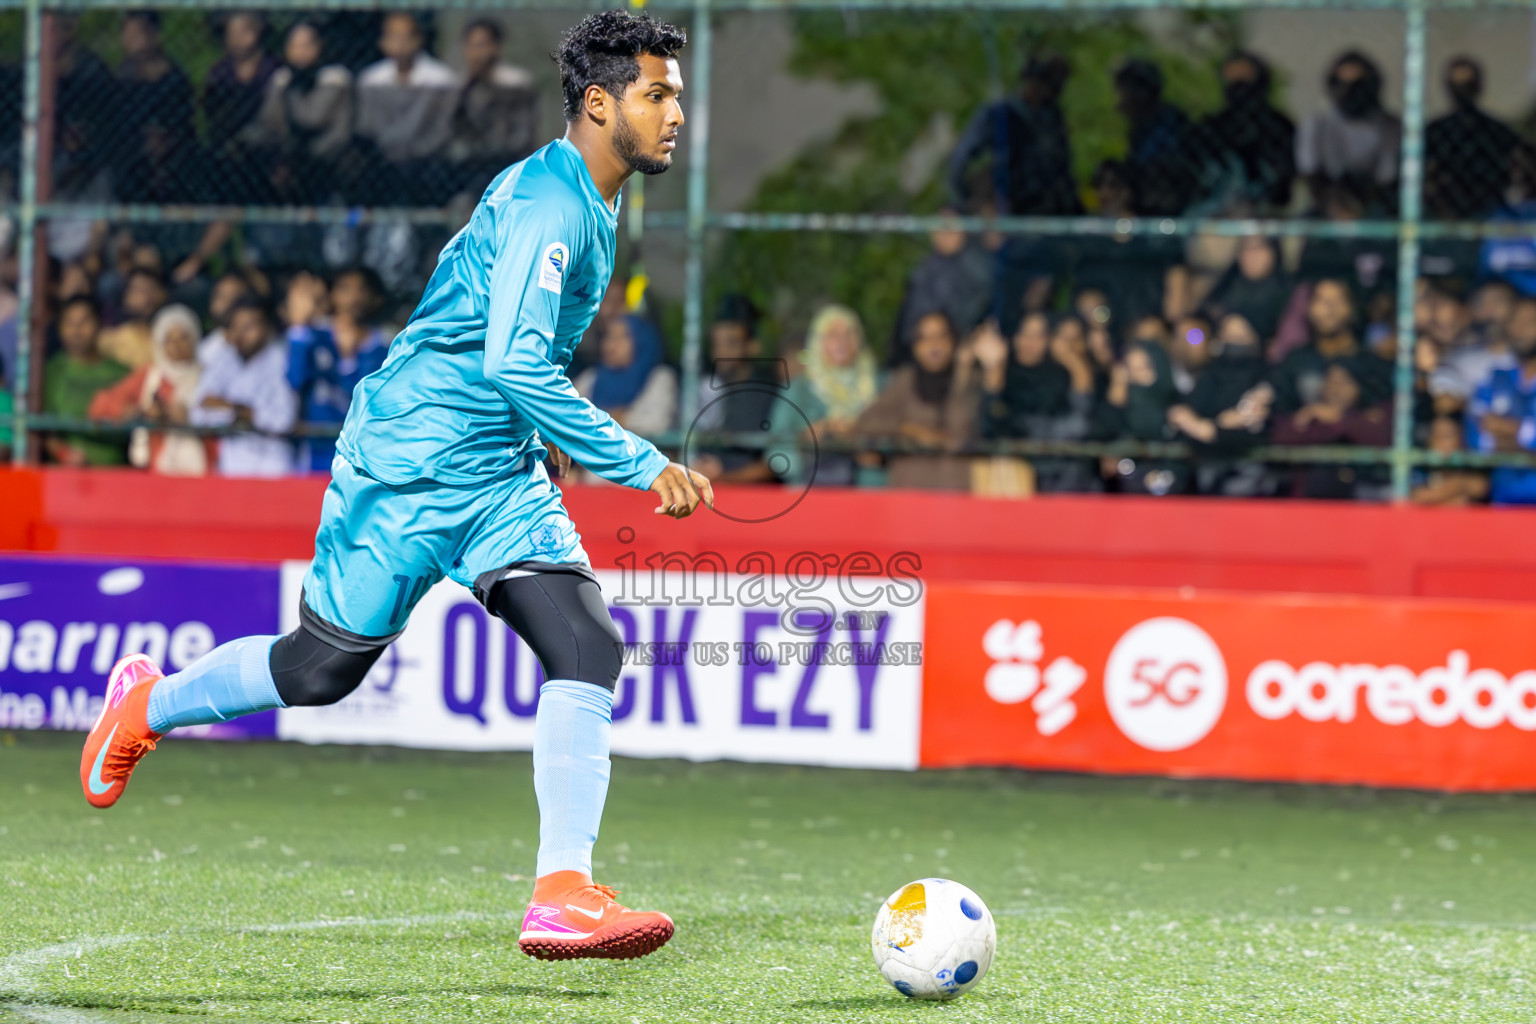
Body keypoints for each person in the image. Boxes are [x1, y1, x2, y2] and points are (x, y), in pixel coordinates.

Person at [79, 10, 706, 966]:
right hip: (407, 462)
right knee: (318, 672)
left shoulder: (595, 196)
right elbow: (513, 363)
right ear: (598, 101)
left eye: (676, 94)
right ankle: (146, 704)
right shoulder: (552, 204)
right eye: (656, 93)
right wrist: (639, 462)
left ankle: (562, 893)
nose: (675, 114)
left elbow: (513, 366)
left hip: (495, 474)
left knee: (585, 643)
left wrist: (546, 438)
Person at [854, 311, 979, 490]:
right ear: (915, 346)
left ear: (953, 341)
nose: (933, 345)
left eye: (941, 336)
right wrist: (911, 431)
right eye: (925, 338)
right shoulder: (905, 381)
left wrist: (962, 377)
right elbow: (868, 421)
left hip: (958, 491)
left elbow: (961, 432)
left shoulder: (969, 379)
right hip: (911, 490)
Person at [284, 269, 392, 473]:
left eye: (362, 290)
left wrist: (348, 357)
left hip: (364, 453)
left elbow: (370, 400)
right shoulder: (315, 336)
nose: (353, 298)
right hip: (315, 451)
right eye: (344, 289)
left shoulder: (386, 346)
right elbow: (294, 381)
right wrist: (298, 326)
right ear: (332, 295)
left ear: (376, 299)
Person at [975, 312, 1097, 492]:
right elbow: (991, 424)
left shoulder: (1060, 377)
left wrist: (1073, 361)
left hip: (1062, 480)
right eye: (1024, 334)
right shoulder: (1005, 374)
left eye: (1039, 336)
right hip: (1014, 481)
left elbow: (1081, 423)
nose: (1030, 342)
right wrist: (995, 368)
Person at [88, 303, 212, 475]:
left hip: (206, 471)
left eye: (183, 338)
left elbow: (227, 412)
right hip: (155, 471)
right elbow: (100, 406)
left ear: (195, 339)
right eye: (168, 339)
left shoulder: (210, 377)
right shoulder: (149, 376)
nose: (176, 346)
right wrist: (141, 412)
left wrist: (192, 417)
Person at [353, 12, 460, 205]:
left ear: (418, 40)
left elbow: (443, 130)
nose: (400, 43)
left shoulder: (442, 81)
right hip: (383, 160)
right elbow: (368, 127)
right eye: (393, 36)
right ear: (382, 42)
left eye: (406, 36)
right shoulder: (371, 80)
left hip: (426, 160)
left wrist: (415, 152)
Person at [770, 303, 880, 485]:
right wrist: (808, 437)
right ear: (818, 341)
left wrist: (858, 438)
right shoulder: (799, 389)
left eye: (849, 333)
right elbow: (775, 453)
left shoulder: (876, 384)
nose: (842, 341)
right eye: (833, 335)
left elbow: (893, 443)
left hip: (866, 494)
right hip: (811, 493)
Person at [189, 297, 297, 477]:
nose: (241, 334)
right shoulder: (224, 358)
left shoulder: (282, 360)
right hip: (232, 462)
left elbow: (283, 419)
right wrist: (242, 411)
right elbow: (198, 412)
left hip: (273, 464)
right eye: (237, 327)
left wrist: (227, 408)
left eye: (249, 327)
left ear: (266, 328)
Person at [688, 294, 782, 484]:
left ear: (752, 346)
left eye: (731, 344)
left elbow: (776, 464)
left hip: (748, 498)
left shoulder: (768, 395)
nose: (721, 352)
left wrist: (722, 480)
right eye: (716, 344)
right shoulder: (703, 389)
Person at [1296, 51, 1401, 213]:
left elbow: (1387, 176)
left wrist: (1359, 207)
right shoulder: (1318, 124)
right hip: (1329, 202)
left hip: (1375, 203)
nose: (1349, 91)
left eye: (1358, 83)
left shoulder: (1390, 126)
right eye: (1342, 83)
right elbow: (1312, 172)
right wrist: (1336, 205)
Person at [1192, 51, 1295, 212]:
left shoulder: (1280, 127)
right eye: (1232, 82)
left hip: (1265, 213)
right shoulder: (1211, 128)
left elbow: (1283, 186)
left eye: (1245, 82)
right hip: (1217, 212)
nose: (1239, 91)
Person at [449, 18, 540, 197]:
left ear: (496, 47)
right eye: (472, 46)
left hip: (507, 159)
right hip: (470, 162)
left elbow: (522, 134)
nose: (478, 53)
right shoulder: (460, 86)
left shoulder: (515, 84)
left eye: (483, 45)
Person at [890, 209, 993, 365]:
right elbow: (907, 322)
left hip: (963, 356)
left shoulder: (979, 270)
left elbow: (978, 313)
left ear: (965, 231)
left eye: (949, 227)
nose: (943, 234)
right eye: (938, 228)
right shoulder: (924, 269)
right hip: (918, 358)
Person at [1424, 57, 1518, 221]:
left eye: (1468, 83)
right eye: (1457, 83)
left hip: (1489, 212)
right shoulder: (1434, 132)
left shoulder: (1498, 131)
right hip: (1442, 214)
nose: (1463, 90)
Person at [42, 296, 129, 466]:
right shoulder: (50, 372)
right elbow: (42, 431)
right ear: (59, 328)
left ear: (100, 324)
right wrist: (63, 453)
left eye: (84, 322)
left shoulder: (122, 374)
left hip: (116, 474)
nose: (76, 330)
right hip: (63, 475)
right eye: (70, 323)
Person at [1465, 309, 1536, 503]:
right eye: (1516, 321)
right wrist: (1527, 444)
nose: (1521, 329)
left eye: (1531, 321)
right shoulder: (1494, 379)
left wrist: (1511, 429)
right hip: (1504, 500)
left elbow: (1494, 428)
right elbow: (1477, 439)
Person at [573, 314, 677, 439]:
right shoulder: (590, 378)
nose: (611, 345)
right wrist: (616, 417)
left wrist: (605, 418)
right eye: (609, 337)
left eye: (621, 337)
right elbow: (572, 416)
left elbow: (657, 424)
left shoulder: (660, 378)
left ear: (641, 341)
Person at [1114, 59, 1195, 215]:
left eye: (1123, 92)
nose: (1119, 103)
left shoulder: (1166, 126)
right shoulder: (1141, 129)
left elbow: (1159, 169)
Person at [1203, 236, 1293, 344]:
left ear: (1274, 252)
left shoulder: (1287, 291)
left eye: (1259, 248)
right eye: (1246, 248)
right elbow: (1201, 320)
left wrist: (1254, 341)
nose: (1252, 256)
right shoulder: (1228, 283)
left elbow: (1289, 338)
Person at [97, 267, 167, 370]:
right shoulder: (108, 339)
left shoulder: (168, 335)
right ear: (126, 296)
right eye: (138, 290)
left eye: (149, 290)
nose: (146, 297)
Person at [1411, 414, 1489, 506]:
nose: (1441, 441)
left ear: (1460, 438)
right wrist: (1456, 493)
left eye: (1448, 436)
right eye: (1437, 435)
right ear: (1430, 440)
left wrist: (1458, 484)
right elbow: (1418, 496)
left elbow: (1480, 487)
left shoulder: (1469, 462)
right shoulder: (1423, 465)